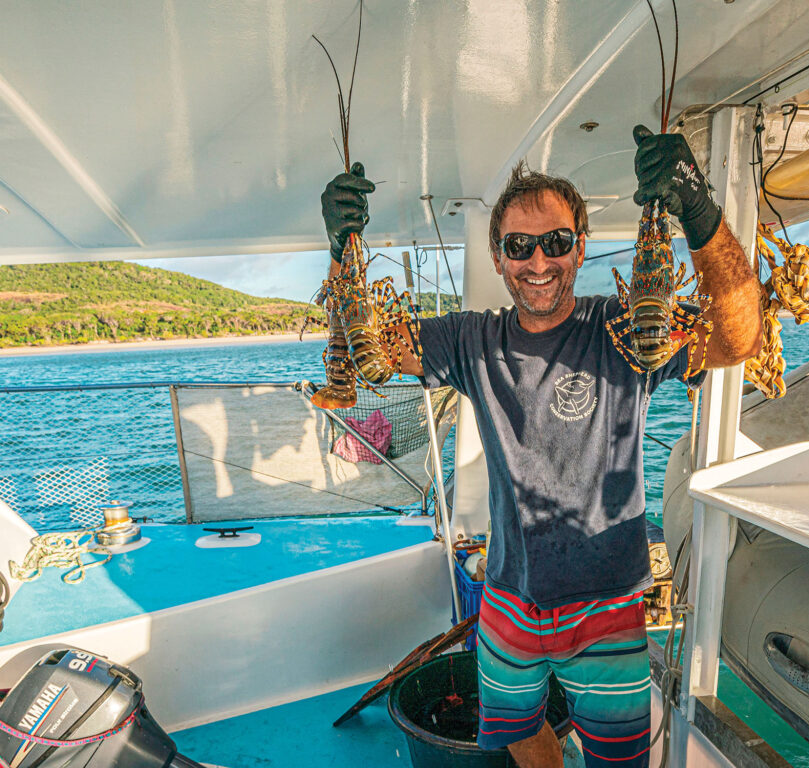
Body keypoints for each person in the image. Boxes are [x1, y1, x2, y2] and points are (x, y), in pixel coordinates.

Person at [320, 125, 762, 768]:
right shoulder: (470, 340)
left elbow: (740, 335)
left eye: (555, 242)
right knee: (519, 734)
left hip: (608, 604)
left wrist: (699, 207)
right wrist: (341, 250)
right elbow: (362, 354)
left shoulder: (625, 327)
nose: (537, 262)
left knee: (619, 761)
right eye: (518, 246)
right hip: (508, 598)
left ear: (581, 248)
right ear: (498, 258)